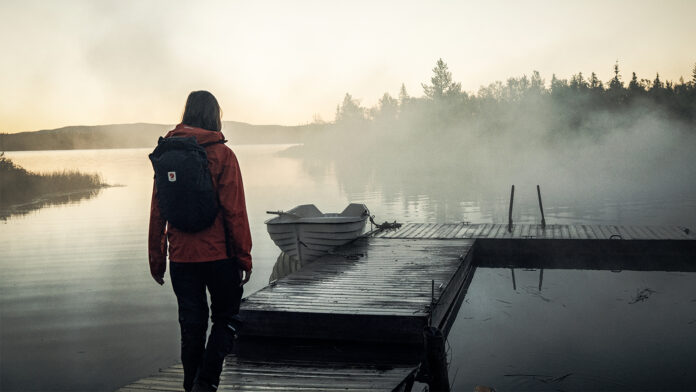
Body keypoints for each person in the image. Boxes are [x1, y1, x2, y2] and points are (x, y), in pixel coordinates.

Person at [148, 90, 252, 392]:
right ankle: (205, 384)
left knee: (191, 327)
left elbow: (158, 210)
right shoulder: (222, 155)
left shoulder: (167, 154)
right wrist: (244, 256)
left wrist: (157, 257)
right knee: (227, 318)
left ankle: (190, 385)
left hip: (181, 258)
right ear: (214, 115)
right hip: (220, 256)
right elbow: (235, 211)